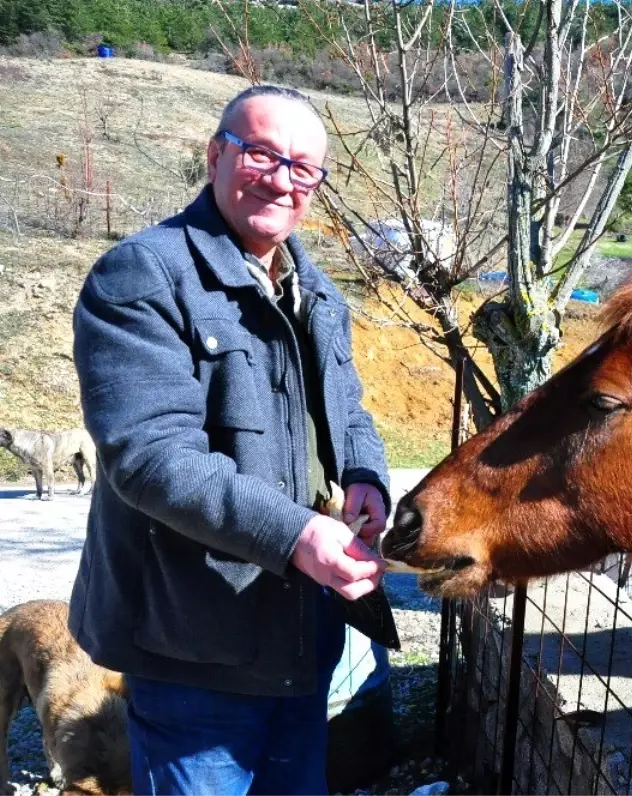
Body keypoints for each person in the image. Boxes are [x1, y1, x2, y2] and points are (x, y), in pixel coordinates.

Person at [69, 84, 398, 794]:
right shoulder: (142, 276)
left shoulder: (318, 293)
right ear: (217, 154)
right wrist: (298, 537)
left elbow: (348, 413)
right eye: (261, 154)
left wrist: (367, 476)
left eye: (303, 167)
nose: (282, 179)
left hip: (301, 635)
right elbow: (151, 458)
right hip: (192, 644)